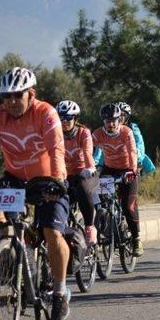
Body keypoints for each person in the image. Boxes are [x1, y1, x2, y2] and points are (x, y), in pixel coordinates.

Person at [0, 67, 71, 320]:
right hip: (14, 179)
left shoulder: (46, 113)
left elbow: (56, 148)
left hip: (47, 180)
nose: (11, 102)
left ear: (31, 94)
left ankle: (59, 291)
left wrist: (57, 180)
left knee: (52, 233)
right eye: (6, 97)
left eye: (18, 95)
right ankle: (13, 257)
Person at [92, 103, 143, 257]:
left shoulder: (126, 132)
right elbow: (86, 149)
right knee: (101, 202)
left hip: (128, 170)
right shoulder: (98, 134)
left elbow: (133, 151)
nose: (111, 124)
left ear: (119, 120)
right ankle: (105, 227)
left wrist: (132, 170)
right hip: (110, 170)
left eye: (114, 120)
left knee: (128, 206)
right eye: (108, 121)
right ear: (103, 122)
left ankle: (136, 239)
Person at [56, 100, 98, 246]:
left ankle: (89, 227)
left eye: (68, 118)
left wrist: (89, 169)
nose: (64, 121)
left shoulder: (83, 133)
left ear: (75, 119)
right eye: (61, 118)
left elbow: (87, 153)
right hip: (64, 177)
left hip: (85, 174)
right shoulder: (55, 134)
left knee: (81, 183)